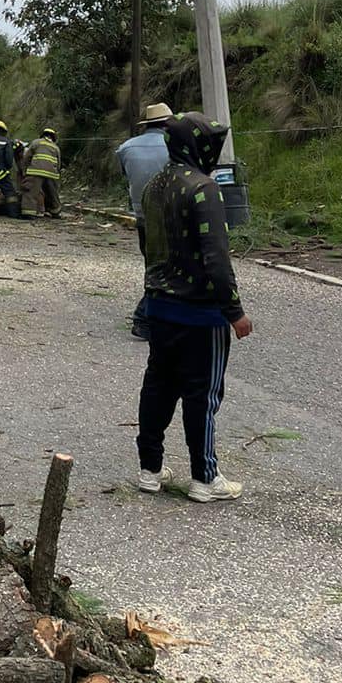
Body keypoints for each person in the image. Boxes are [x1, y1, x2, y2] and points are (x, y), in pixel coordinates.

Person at [136, 112, 253, 503]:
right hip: (201, 315)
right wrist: (234, 311)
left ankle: (150, 469)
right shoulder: (204, 189)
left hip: (159, 306)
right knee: (202, 395)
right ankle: (204, 477)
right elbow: (217, 259)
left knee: (158, 387)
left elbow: (146, 245)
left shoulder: (153, 187)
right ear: (199, 147)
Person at [117, 102, 174, 340]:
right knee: (169, 269)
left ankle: (158, 314)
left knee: (153, 265)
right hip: (170, 216)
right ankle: (144, 317)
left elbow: (125, 175)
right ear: (167, 124)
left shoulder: (125, 148)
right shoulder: (174, 146)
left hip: (142, 216)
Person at [23, 127, 62, 218]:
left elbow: (27, 157)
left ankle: (28, 213)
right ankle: (55, 211)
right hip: (51, 173)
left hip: (35, 171)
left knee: (31, 191)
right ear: (53, 137)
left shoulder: (36, 142)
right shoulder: (55, 147)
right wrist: (57, 174)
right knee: (52, 193)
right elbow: (58, 163)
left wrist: (25, 170)